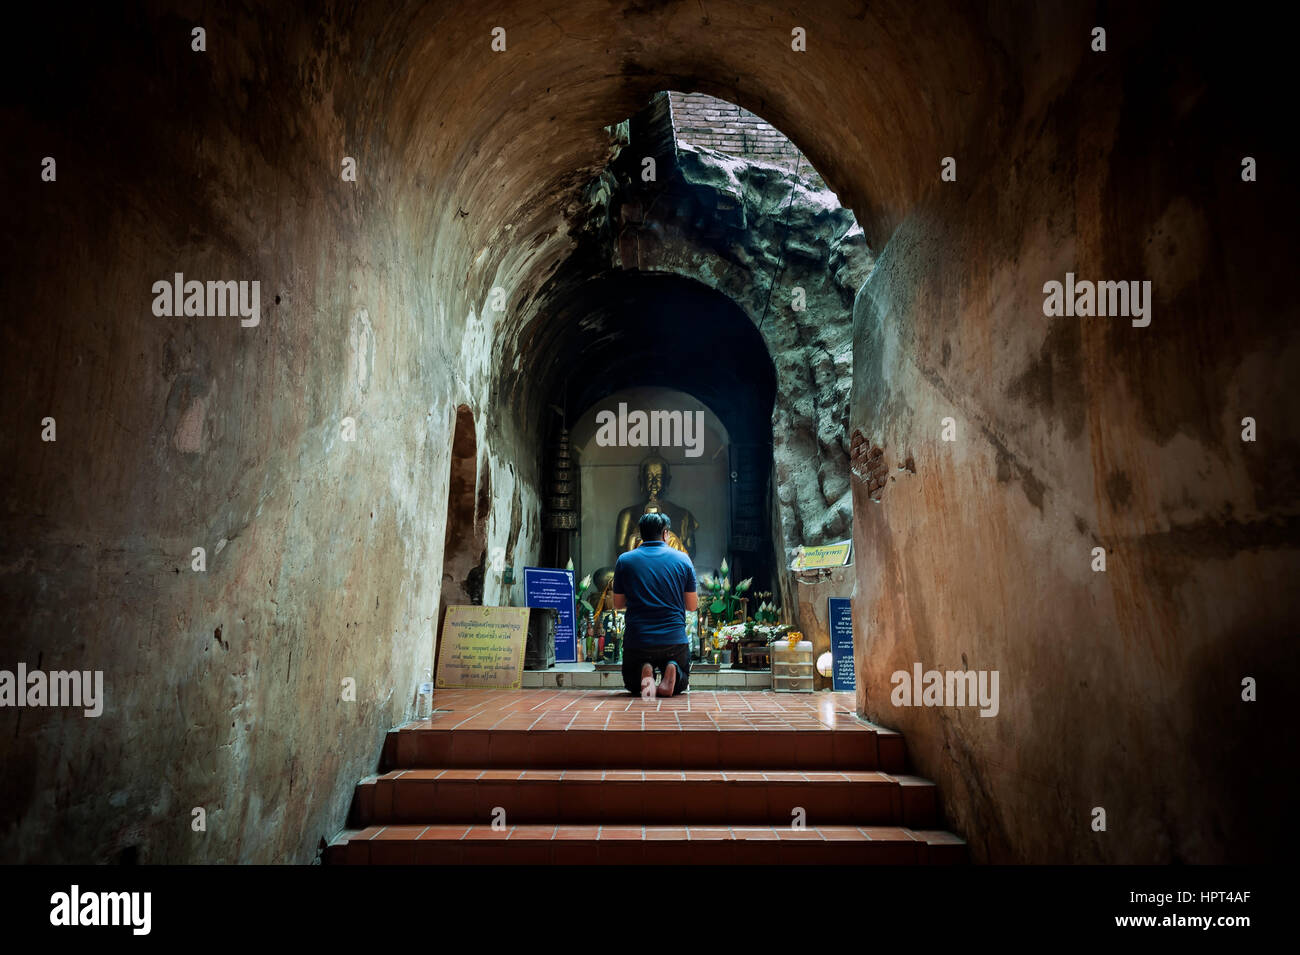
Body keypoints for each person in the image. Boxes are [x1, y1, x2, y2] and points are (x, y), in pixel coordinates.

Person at [612, 512, 698, 697]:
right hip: (674, 641)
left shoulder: (624, 560)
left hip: (638, 640)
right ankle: (673, 667)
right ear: (666, 533)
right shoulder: (683, 559)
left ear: (640, 535)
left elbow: (618, 603)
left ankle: (645, 666)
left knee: (632, 683)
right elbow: (692, 606)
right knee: (682, 683)